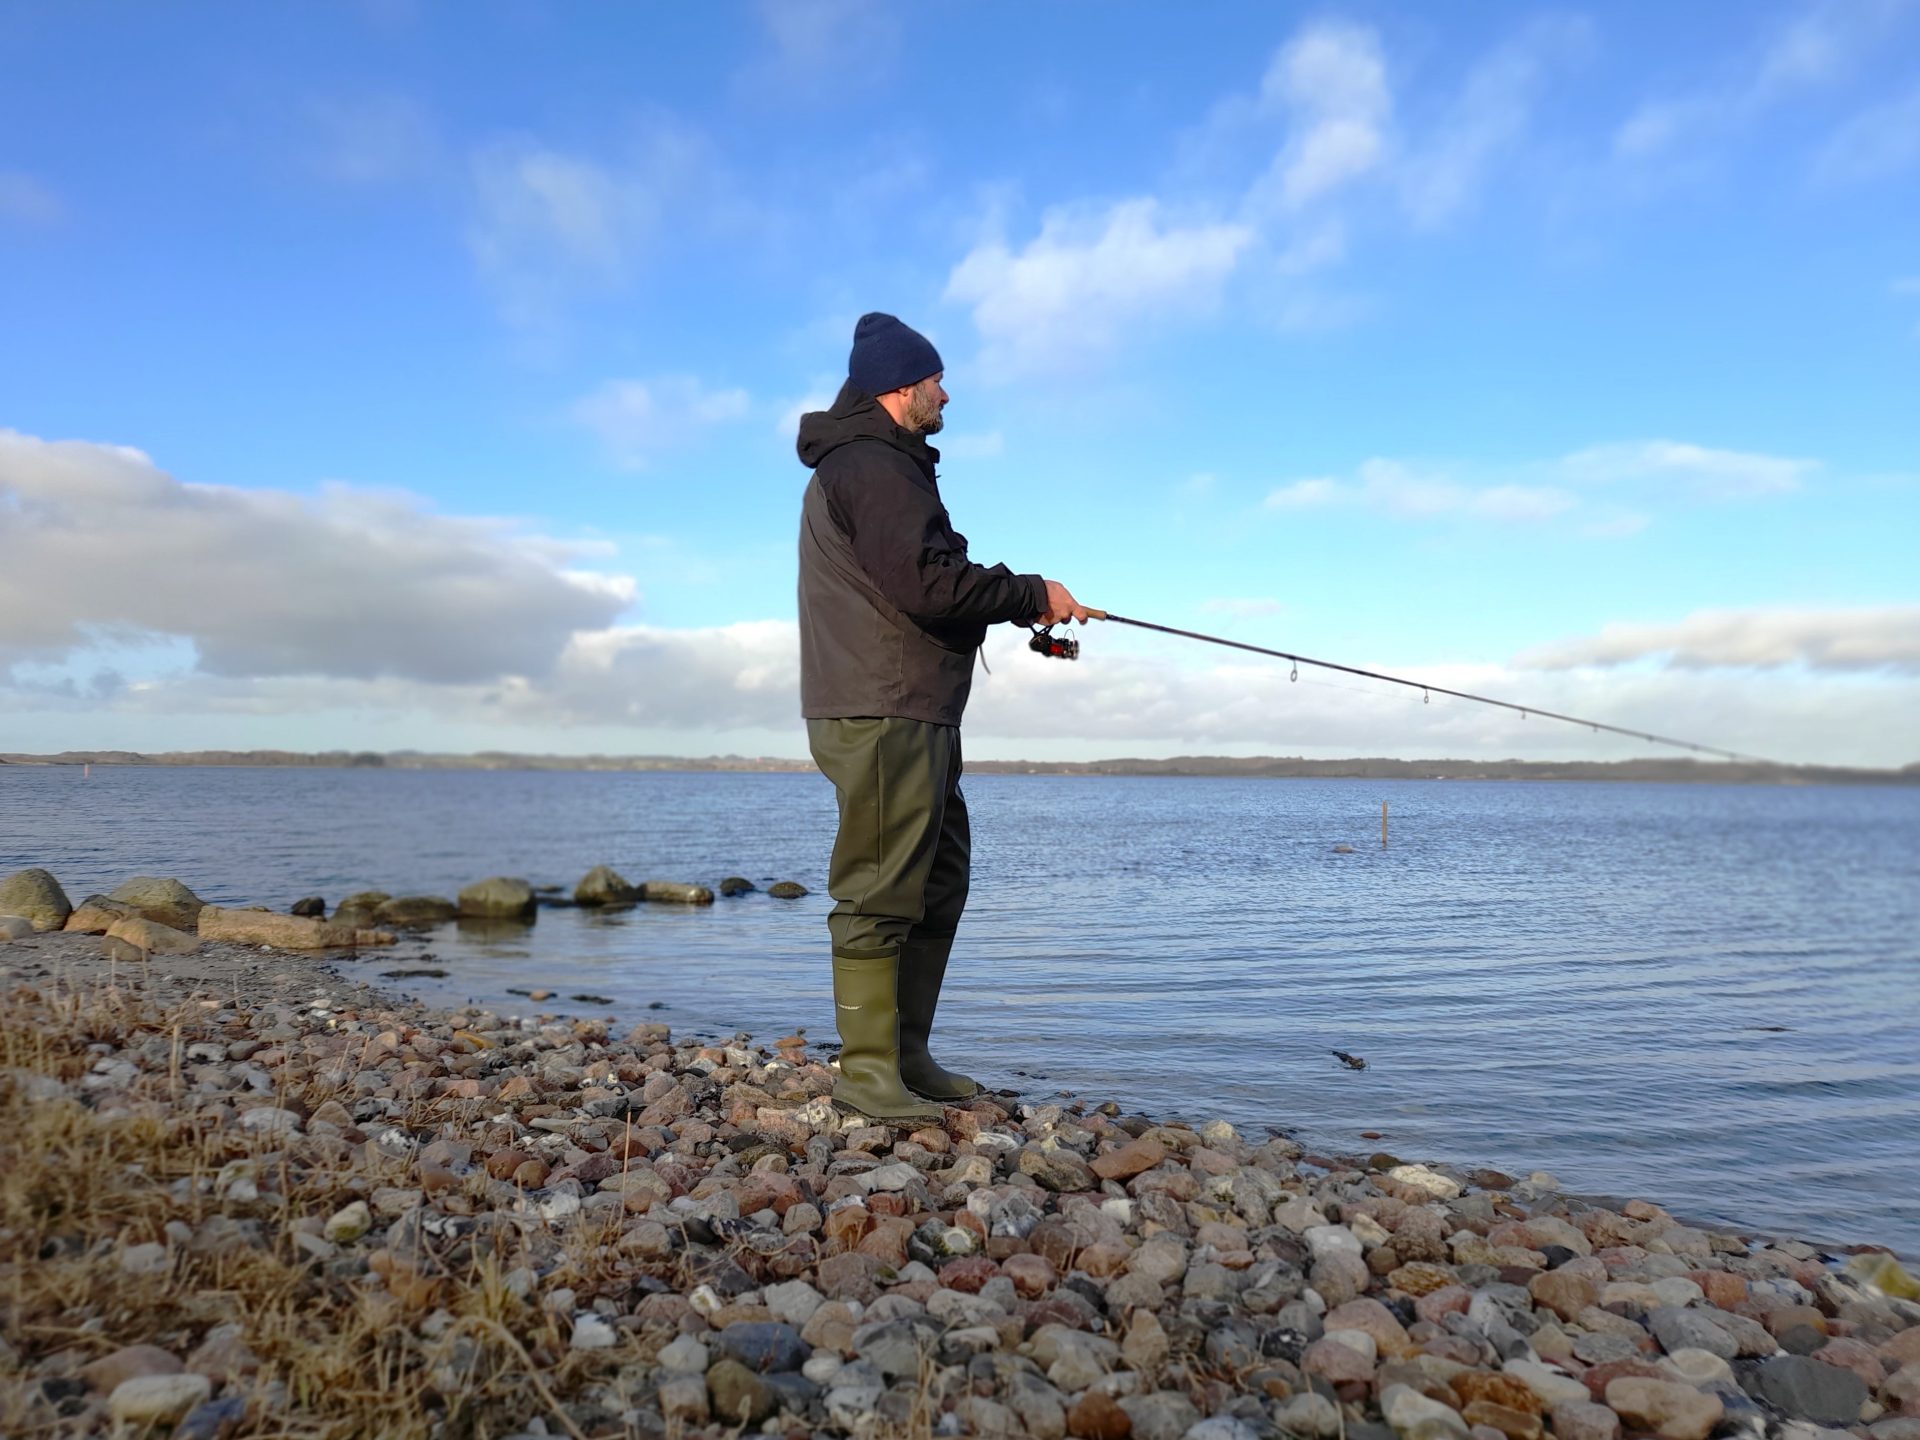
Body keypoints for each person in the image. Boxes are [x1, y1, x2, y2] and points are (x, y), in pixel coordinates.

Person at [795, 312, 1087, 1122]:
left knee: (938, 879)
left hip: (913, 709)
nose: (946, 392)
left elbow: (929, 580)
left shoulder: (883, 465)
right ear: (901, 387)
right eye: (936, 381)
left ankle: (906, 1055)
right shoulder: (871, 467)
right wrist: (1033, 592)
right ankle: (866, 1075)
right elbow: (931, 583)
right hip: (883, 707)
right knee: (880, 890)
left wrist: (1025, 599)